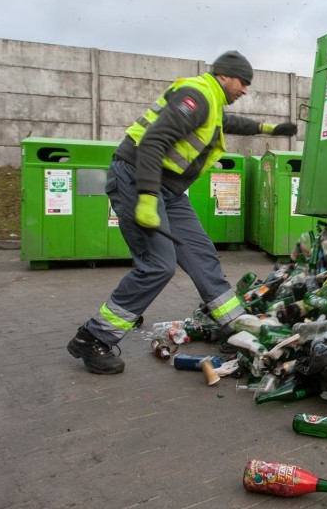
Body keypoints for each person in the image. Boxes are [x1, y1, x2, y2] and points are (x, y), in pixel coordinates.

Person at [67, 50, 297, 374]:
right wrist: (146, 197)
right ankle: (92, 338)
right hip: (139, 179)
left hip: (169, 191)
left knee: (201, 253)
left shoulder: (211, 105)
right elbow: (152, 142)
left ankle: (234, 325)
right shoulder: (197, 96)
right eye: (242, 82)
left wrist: (270, 129)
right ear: (224, 76)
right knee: (158, 265)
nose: (245, 89)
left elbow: (228, 123)